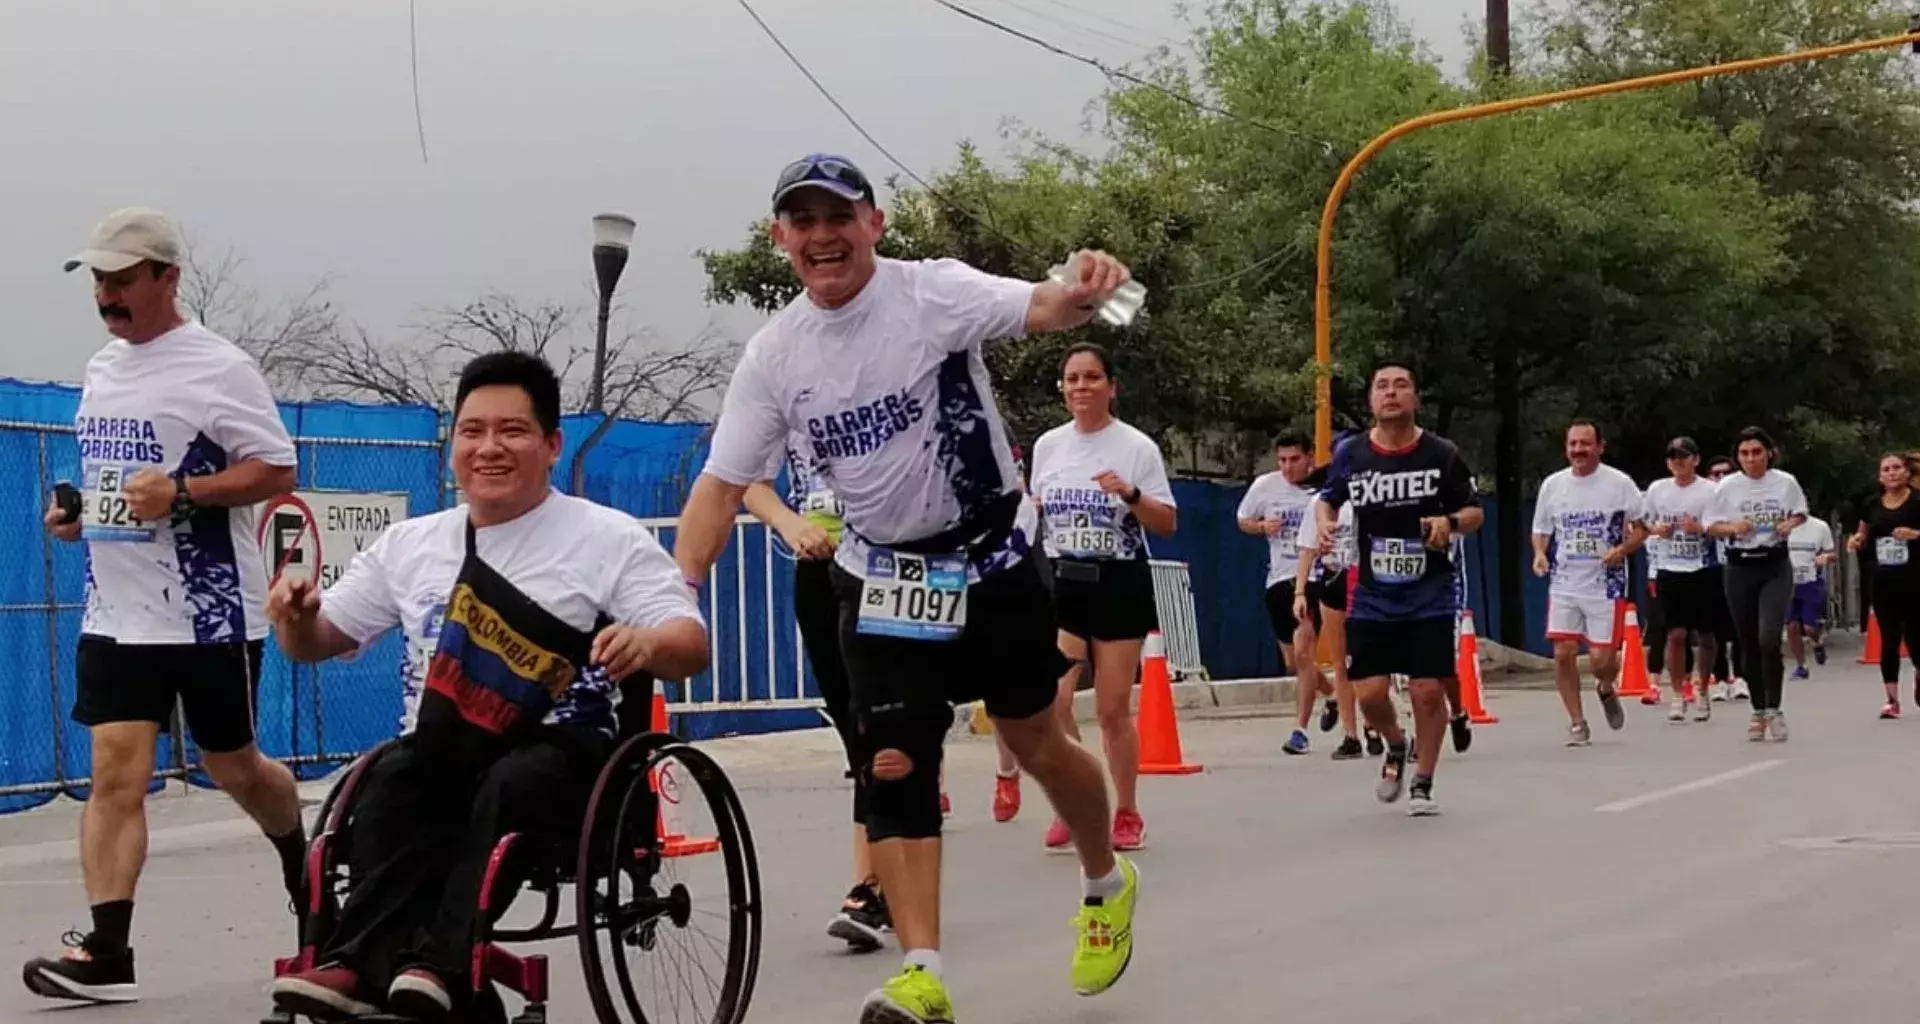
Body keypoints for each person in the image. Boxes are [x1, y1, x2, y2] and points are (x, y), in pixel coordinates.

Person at [671, 153, 1141, 1023]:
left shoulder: (932, 294)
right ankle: (922, 972)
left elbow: (1054, 305)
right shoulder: (775, 356)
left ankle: (1106, 879)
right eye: (802, 223)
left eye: (837, 218)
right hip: (883, 580)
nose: (822, 238)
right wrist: (676, 596)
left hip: (995, 561)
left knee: (1037, 741)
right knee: (891, 764)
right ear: (780, 240)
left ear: (873, 225)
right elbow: (722, 483)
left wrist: (1102, 285)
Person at [265, 352, 710, 1020]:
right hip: (444, 743)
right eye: (472, 432)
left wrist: (647, 641)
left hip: (563, 753)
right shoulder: (411, 545)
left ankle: (441, 967)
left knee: (506, 783)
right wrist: (295, 621)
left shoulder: (605, 539)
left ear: (552, 444)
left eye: (512, 431)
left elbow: (691, 645)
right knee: (393, 778)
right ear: (453, 447)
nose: (489, 448)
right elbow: (317, 644)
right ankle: (354, 963)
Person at [23, 208, 307, 1005]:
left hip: (208, 611)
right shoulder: (102, 369)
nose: (109, 296)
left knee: (234, 768)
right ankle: (108, 947)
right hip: (116, 612)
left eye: (123, 279)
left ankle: (304, 866)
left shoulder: (219, 367)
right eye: (100, 281)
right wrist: (79, 514)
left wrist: (183, 491)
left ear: (166, 278)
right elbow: (117, 482)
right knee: (115, 771)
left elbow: (276, 468)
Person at [744, 438, 896, 951]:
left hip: (887, 565)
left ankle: (869, 888)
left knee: (875, 719)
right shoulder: (786, 393)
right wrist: (791, 525)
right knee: (856, 728)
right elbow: (752, 485)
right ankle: (888, 879)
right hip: (818, 571)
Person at [1027, 343, 1175, 853]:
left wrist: (1131, 496)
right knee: (1055, 701)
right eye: (1072, 379)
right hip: (1065, 583)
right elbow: (1033, 514)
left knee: (1112, 710)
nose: (1081, 387)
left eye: (1092, 378)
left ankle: (1127, 810)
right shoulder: (1049, 446)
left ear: (1111, 387)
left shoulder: (1136, 447)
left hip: (1118, 584)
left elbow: (1167, 522)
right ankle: (1073, 800)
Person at [1317, 362, 1483, 816]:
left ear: (1415, 399)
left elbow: (1474, 512)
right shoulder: (1352, 454)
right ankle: (1395, 743)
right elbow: (1328, 499)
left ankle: (1424, 781)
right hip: (1372, 593)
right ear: (1371, 400)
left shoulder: (1441, 453)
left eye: (1402, 385)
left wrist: (1448, 523)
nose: (1391, 393)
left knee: (1427, 690)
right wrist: (1326, 524)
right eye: (1382, 386)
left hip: (1429, 590)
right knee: (1369, 694)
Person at [1530, 420, 1647, 746]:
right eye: (1573, 444)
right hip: (1565, 582)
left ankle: (1606, 688)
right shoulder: (1553, 485)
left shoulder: (1619, 483)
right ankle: (1577, 722)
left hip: (1605, 584)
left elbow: (1642, 528)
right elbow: (1541, 530)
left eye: (1585, 444)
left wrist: (1622, 550)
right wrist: (1540, 553)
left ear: (1599, 447)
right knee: (1563, 652)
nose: (1578, 450)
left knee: (1602, 660)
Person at [1705, 427, 1808, 742]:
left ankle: (1775, 708)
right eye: (1744, 454)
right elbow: (1710, 526)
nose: (1750, 459)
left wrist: (1788, 524)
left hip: (1774, 565)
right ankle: (1758, 708)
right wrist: (1734, 527)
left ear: (1769, 454)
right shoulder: (1727, 487)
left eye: (1756, 452)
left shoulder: (1785, 482)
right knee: (1747, 640)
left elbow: (1800, 514)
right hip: (1739, 567)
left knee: (1768, 637)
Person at [1237, 432, 1337, 755]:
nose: (1287, 467)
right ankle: (1333, 694)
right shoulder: (1265, 486)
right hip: (1278, 581)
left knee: (1305, 652)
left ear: (1310, 457)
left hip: (1312, 579)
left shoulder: (1323, 491)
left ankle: (1300, 731)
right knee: (1294, 661)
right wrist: (1261, 527)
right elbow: (1242, 520)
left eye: (1295, 459)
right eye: (1282, 460)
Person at [1641, 437, 1721, 724]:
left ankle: (1703, 688)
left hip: (1704, 567)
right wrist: (1656, 529)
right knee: (1675, 635)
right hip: (1669, 568)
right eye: (1673, 457)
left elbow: (1720, 526)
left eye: (1684, 456)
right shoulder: (1657, 490)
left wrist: (1698, 527)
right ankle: (1678, 693)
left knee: (1707, 635)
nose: (1678, 461)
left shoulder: (1710, 491)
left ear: (1696, 460)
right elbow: (1642, 522)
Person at [1293, 481, 1375, 759]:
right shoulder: (1321, 502)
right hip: (1334, 578)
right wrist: (1300, 592)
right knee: (1341, 662)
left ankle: (1376, 724)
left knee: (1369, 659)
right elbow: (1307, 548)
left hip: (1368, 581)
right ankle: (1350, 735)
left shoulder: (1373, 496)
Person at [1847, 452, 1920, 718]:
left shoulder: (1917, 502)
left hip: (1915, 580)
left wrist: (1915, 534)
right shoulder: (1872, 505)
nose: (1891, 473)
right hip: (1882, 580)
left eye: (1896, 468)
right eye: (1886, 469)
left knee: (1915, 638)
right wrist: (1856, 540)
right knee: (1888, 639)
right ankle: (1892, 700)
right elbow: (1863, 533)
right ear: (1880, 476)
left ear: (1906, 472)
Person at [1703, 456, 1749, 702]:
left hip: (1740, 564)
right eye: (1715, 474)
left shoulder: (1741, 500)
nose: (1720, 478)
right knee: (1715, 629)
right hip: (1712, 568)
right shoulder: (1705, 502)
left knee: (1740, 624)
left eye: (1725, 473)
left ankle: (1741, 677)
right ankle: (1719, 679)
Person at [1785, 511, 1837, 679]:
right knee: (1792, 628)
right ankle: (1802, 666)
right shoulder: (1782, 527)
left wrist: (1825, 558)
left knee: (1808, 627)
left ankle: (1817, 642)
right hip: (1788, 583)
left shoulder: (1820, 527)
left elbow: (1832, 554)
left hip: (1811, 582)